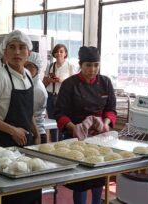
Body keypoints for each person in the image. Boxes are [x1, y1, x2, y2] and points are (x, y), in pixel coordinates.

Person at [0, 30, 41, 204]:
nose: (17, 52)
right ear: (4, 52)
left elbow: (28, 111)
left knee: (31, 191)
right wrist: (12, 130)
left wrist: (36, 134)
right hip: (5, 145)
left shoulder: (28, 75)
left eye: (22, 48)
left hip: (26, 141)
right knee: (13, 196)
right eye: (12, 47)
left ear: (29, 53)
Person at [54, 46, 116, 204]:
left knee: (99, 179)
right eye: (88, 65)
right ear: (80, 65)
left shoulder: (105, 82)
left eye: (96, 65)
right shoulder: (70, 84)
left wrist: (105, 124)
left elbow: (110, 109)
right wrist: (75, 128)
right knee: (81, 182)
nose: (93, 69)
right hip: (76, 137)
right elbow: (59, 113)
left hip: (99, 137)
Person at [43, 44, 76, 142]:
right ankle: (54, 142)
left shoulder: (70, 66)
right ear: (54, 54)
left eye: (61, 51)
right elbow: (43, 83)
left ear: (65, 53)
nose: (59, 53)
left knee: (63, 121)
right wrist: (49, 80)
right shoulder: (50, 66)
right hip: (50, 96)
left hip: (63, 97)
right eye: (57, 52)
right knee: (52, 121)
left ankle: (63, 142)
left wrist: (62, 80)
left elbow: (74, 85)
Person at [25, 52, 48, 143]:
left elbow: (27, 115)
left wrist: (37, 136)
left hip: (36, 135)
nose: (26, 69)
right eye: (24, 65)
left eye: (30, 66)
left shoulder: (37, 89)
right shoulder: (27, 83)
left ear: (37, 69)